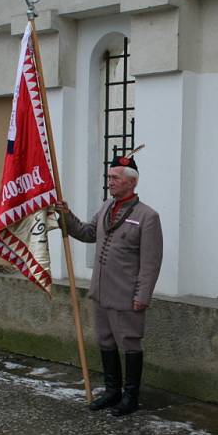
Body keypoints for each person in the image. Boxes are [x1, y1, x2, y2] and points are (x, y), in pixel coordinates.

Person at [57, 152, 163, 416]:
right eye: (109, 177)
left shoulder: (147, 216)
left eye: (115, 177)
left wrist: (142, 296)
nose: (110, 181)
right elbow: (87, 233)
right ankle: (112, 391)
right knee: (105, 341)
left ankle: (131, 397)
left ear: (132, 182)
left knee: (130, 344)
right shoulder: (106, 207)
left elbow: (151, 262)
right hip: (101, 292)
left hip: (128, 296)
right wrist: (66, 215)